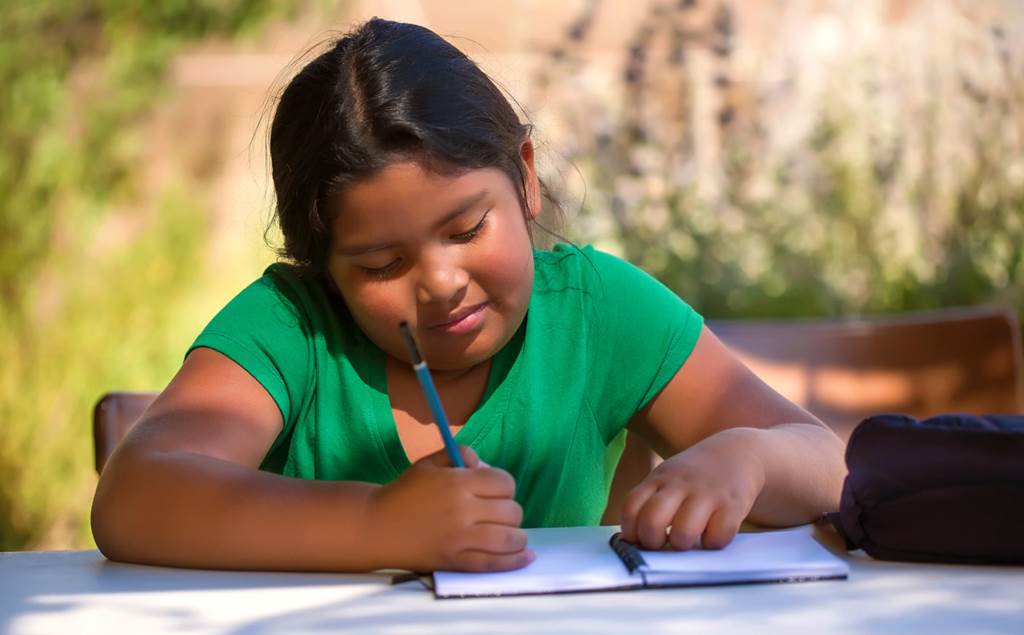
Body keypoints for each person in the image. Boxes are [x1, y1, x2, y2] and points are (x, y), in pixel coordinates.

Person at [90, 17, 846, 574]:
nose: (442, 282)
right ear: (321, 269)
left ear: (523, 174)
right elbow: (134, 497)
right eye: (382, 263)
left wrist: (747, 458)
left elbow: (835, 468)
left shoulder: (599, 311)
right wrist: (381, 524)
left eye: (467, 227)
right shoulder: (292, 326)